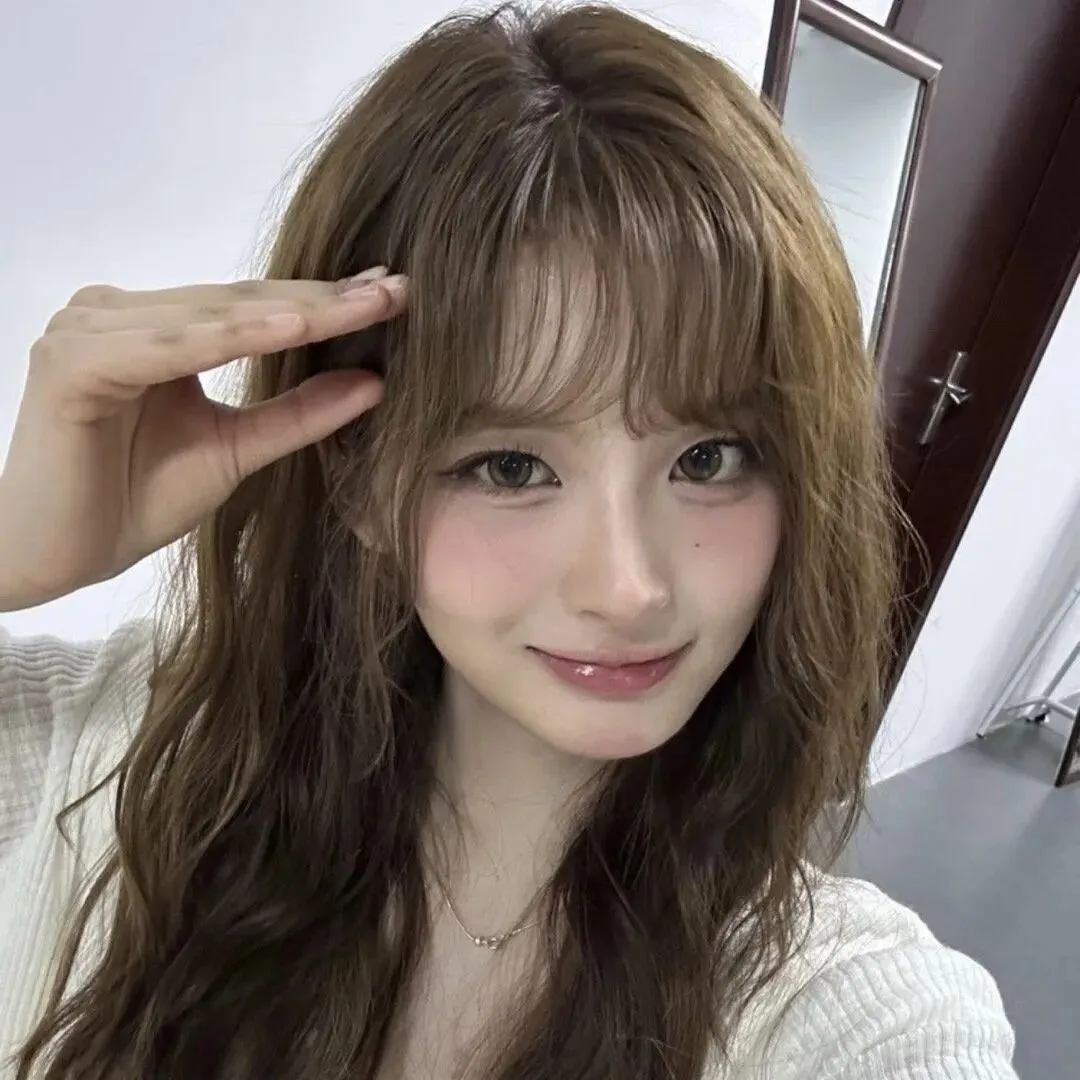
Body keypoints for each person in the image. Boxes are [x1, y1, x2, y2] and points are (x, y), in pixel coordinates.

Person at [0, 4, 1017, 1078]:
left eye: (711, 458)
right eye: (512, 468)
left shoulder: (841, 1011)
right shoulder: (123, 758)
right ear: (357, 478)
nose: (628, 587)